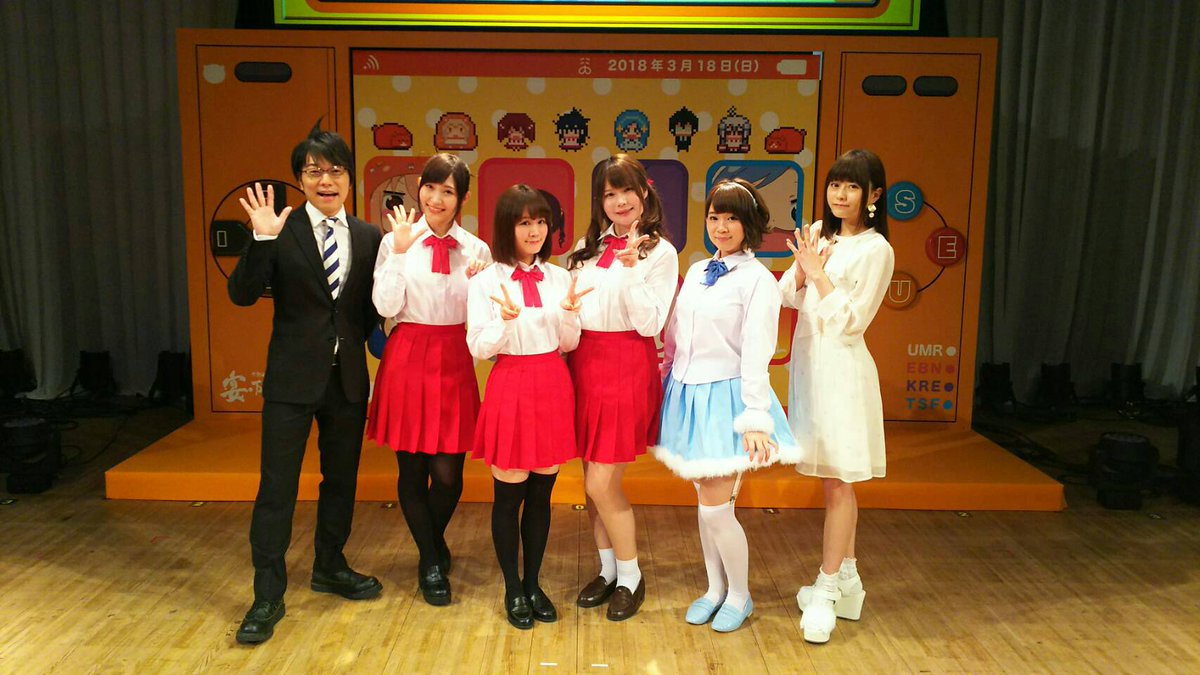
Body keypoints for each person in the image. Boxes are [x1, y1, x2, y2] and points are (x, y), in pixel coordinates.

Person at [228, 123, 383, 645]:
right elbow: (242, 294)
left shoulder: (369, 236)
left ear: (349, 179)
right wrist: (260, 239)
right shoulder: (281, 228)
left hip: (347, 381)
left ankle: (330, 565)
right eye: (315, 171)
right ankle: (267, 595)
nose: (326, 180)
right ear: (300, 179)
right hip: (291, 381)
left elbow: (369, 310)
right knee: (277, 488)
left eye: (336, 170)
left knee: (340, 482)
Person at [655, 179, 801, 633]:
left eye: (732, 218)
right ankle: (714, 589)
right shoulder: (699, 269)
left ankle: (740, 594)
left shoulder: (758, 280)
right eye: (715, 216)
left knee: (717, 508)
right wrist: (664, 376)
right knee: (705, 503)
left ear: (749, 223)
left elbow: (758, 350)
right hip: (688, 392)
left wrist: (754, 416)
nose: (721, 226)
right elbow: (677, 333)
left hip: (729, 398)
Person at [780, 149, 894, 644]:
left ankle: (826, 589)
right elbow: (787, 296)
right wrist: (803, 268)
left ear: (873, 195)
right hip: (812, 371)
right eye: (834, 185)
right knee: (833, 480)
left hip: (844, 373)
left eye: (851, 186)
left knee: (840, 480)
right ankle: (848, 578)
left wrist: (820, 273)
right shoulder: (818, 235)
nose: (840, 195)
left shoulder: (876, 249)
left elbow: (852, 322)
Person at [367, 153, 491, 607]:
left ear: (463, 198)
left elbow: (486, 315)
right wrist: (400, 252)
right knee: (412, 468)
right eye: (430, 188)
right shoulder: (395, 241)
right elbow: (385, 307)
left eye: (447, 191)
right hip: (407, 355)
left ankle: (431, 544)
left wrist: (483, 285)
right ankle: (431, 560)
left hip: (453, 357)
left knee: (449, 476)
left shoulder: (477, 250)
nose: (435, 198)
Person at [466, 185, 589, 630]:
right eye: (524, 223)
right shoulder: (485, 281)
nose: (535, 231)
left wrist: (571, 313)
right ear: (507, 227)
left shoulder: (559, 278)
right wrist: (503, 322)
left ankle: (534, 583)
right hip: (511, 383)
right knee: (508, 494)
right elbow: (478, 348)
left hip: (552, 383)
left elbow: (568, 343)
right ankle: (512, 587)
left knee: (541, 495)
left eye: (540, 222)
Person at [565, 155, 678, 621]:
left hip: (626, 364)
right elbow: (571, 309)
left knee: (602, 481)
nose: (619, 202)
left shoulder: (661, 252)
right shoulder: (586, 248)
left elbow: (650, 323)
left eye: (626, 191)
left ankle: (631, 576)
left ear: (644, 193)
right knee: (590, 483)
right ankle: (608, 570)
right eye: (609, 194)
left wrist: (631, 269)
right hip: (583, 364)